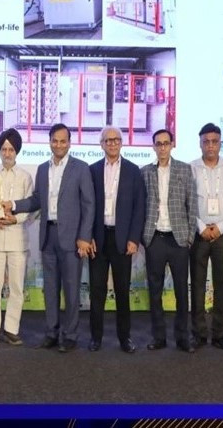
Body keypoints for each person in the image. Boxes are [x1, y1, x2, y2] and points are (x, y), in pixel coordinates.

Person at [4, 123, 94, 353]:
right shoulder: (43, 169)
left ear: (69, 143)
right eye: (55, 140)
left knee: (71, 290)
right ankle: (52, 333)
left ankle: (70, 335)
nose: (59, 145)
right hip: (48, 236)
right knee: (50, 289)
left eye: (63, 141)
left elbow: (89, 205)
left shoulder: (81, 168)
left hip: (72, 238)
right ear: (50, 142)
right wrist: (13, 204)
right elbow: (36, 200)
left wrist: (84, 237)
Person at [88, 127, 145, 353]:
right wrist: (88, 236)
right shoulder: (92, 170)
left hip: (122, 240)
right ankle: (96, 338)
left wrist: (134, 239)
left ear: (122, 143)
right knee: (97, 291)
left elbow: (139, 207)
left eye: (116, 140)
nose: (112, 143)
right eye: (108, 140)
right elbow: (87, 207)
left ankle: (125, 338)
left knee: (122, 291)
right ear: (101, 144)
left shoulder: (133, 170)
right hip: (98, 239)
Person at [142, 129, 198, 353]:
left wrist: (190, 236)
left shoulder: (184, 169)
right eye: (158, 144)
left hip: (178, 239)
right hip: (155, 238)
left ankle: (182, 337)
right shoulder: (145, 172)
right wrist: (144, 237)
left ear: (172, 145)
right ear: (154, 147)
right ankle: (159, 337)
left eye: (166, 143)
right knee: (155, 291)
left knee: (181, 291)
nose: (162, 147)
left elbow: (192, 204)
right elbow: (140, 205)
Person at [189, 123, 223, 351]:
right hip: (198, 233)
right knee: (197, 285)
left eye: (214, 141)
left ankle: (220, 334)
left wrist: (220, 227)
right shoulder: (191, 168)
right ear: (200, 143)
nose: (210, 145)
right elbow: (187, 202)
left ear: (220, 143)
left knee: (222, 285)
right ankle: (199, 334)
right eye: (206, 142)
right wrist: (201, 227)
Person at [0, 128, 34, 347]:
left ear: (17, 151)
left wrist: (15, 219)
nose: (7, 153)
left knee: (16, 288)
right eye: (3, 149)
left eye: (11, 149)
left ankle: (12, 329)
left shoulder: (25, 177)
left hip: (17, 240)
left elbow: (31, 208)